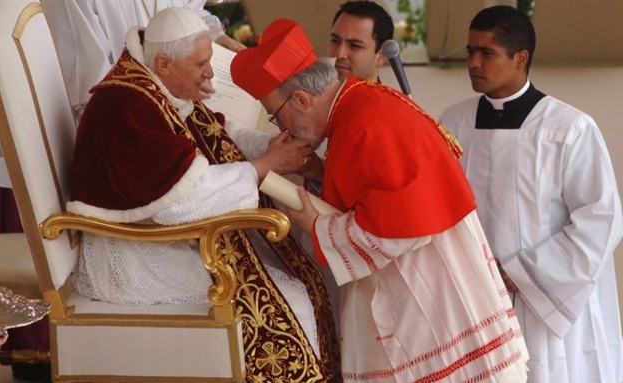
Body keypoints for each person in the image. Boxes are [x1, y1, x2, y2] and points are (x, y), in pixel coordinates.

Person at [231, 18, 529, 382]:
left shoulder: (366, 125)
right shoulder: (358, 105)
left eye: (277, 117)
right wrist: (319, 174)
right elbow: (373, 190)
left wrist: (316, 225)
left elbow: (399, 227)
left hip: (431, 296)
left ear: (302, 99)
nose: (283, 129)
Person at [66, 8, 340, 382]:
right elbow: (179, 201)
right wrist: (262, 167)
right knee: (287, 298)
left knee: (297, 275)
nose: (210, 73)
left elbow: (213, 132)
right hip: (135, 256)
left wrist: (267, 149)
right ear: (164, 63)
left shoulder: (153, 82)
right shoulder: (124, 106)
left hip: (168, 238)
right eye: (201, 65)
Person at [439, 5, 623, 383]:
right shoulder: (451, 124)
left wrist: (521, 273)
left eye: (486, 53)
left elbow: (601, 217)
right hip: (473, 298)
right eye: (470, 51)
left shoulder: (568, 128)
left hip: (541, 301)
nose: (473, 62)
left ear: (520, 58)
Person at [41, 0, 245, 121]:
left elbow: (188, 8)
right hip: (133, 119)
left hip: (185, 102)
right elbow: (91, 89)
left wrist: (216, 37)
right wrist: (174, 83)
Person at [328, 0, 394, 81]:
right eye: (335, 40)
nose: (339, 54)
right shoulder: (312, 90)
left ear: (381, 57)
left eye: (354, 45)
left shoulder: (386, 94)